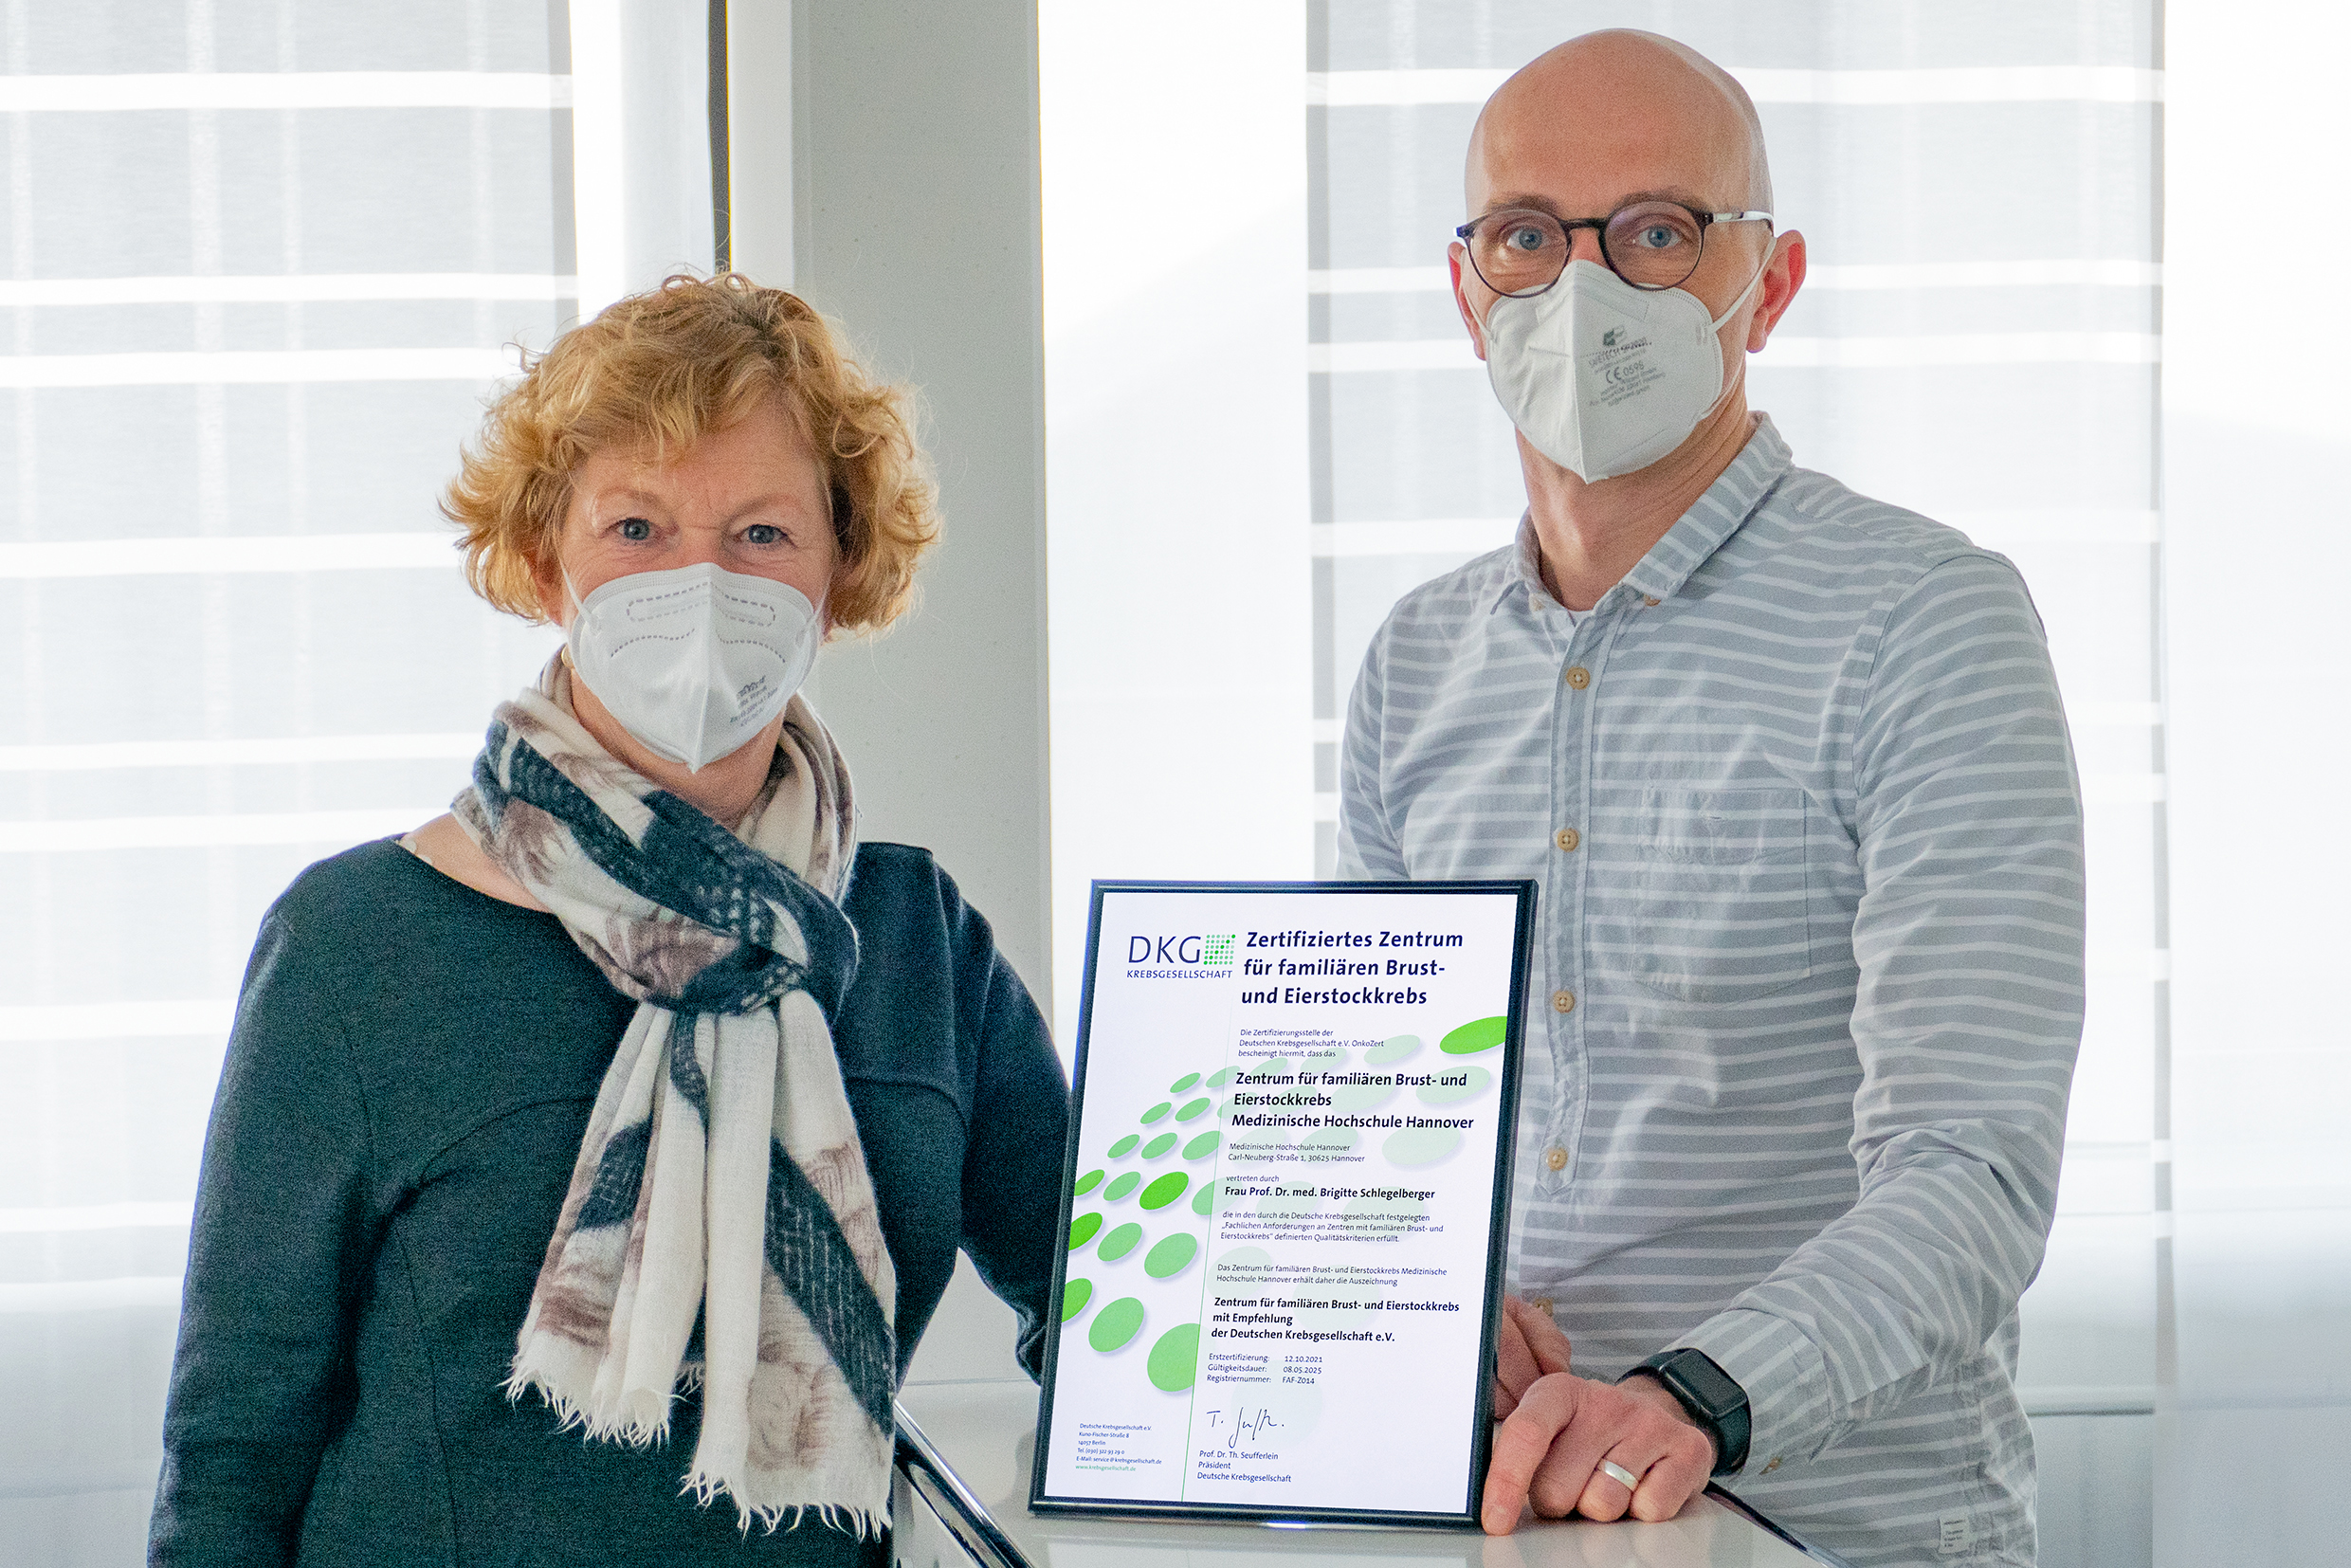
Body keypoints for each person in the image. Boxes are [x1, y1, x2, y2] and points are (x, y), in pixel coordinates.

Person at [149, 276, 1068, 1566]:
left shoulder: (918, 939)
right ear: (544, 559)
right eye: (636, 526)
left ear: (842, 567)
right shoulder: (354, 948)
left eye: (761, 535)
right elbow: (234, 1454)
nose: (699, 586)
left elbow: (1109, 1304)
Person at [1337, 32, 2084, 1566]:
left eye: (1660, 233)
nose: (1584, 290)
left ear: (1773, 282)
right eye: (1530, 237)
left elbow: (1975, 1164)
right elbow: (1387, 1127)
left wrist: (1694, 1395)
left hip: (1838, 1531)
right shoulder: (1413, 663)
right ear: (1468, 289)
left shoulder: (1926, 620)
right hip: (1503, 1521)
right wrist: (1428, 1303)